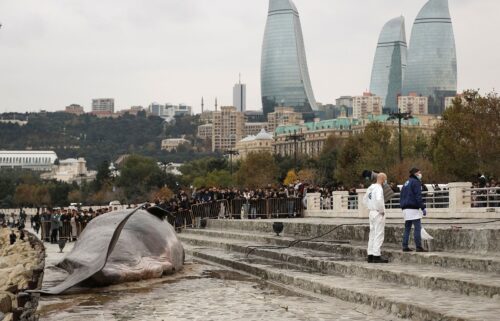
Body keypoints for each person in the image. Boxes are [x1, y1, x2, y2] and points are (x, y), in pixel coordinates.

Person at [363, 172, 389, 264]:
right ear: (382, 179)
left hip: (371, 212)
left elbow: (364, 200)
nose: (386, 181)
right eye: (385, 179)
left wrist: (370, 207)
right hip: (378, 213)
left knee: (372, 234)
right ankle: (376, 255)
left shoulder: (370, 188)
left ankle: (370, 255)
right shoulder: (378, 188)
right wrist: (381, 210)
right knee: (379, 234)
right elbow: (379, 200)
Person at [400, 168, 427, 252]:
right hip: (413, 208)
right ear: (415, 173)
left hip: (405, 208)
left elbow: (401, 195)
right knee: (417, 227)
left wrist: (402, 206)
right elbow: (418, 196)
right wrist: (422, 207)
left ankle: (405, 246)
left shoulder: (406, 182)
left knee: (407, 228)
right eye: (419, 172)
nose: (420, 174)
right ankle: (418, 246)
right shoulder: (416, 182)